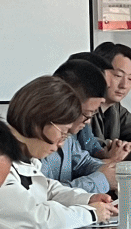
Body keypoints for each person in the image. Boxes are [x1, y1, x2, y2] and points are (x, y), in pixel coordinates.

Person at [0, 76, 117, 229]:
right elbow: (35, 219)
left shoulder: (24, 157)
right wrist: (90, 213)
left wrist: (87, 199)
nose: (61, 144)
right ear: (38, 121)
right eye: (63, 133)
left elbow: (48, 190)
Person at [40, 56, 122, 196]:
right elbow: (47, 194)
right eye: (87, 114)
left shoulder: (68, 136)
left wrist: (113, 170)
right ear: (68, 102)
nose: (88, 122)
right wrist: (101, 180)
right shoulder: (36, 140)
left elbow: (82, 162)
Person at [90, 41, 131, 154]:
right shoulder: (81, 105)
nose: (124, 85)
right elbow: (84, 143)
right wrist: (123, 150)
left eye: (130, 79)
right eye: (118, 76)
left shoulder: (115, 108)